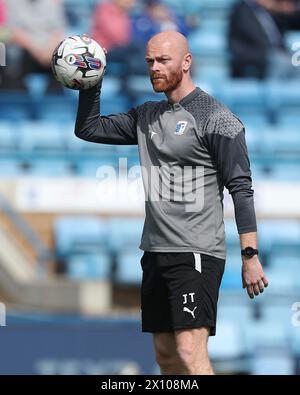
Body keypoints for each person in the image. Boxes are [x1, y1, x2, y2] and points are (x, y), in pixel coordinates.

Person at [74, 31, 269, 375]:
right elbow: (89, 128)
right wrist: (92, 80)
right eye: (150, 61)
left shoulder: (217, 118)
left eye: (163, 60)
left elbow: (241, 188)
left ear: (186, 62)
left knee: (189, 349)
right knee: (166, 354)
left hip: (196, 251)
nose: (154, 68)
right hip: (155, 251)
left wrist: (250, 255)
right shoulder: (146, 115)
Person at [228, 0, 300, 79]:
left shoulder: (268, 12)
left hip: (274, 56)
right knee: (283, 62)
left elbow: (290, 22)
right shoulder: (242, 9)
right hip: (254, 58)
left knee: (295, 60)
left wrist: (278, 9)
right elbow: (256, 38)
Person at [3, 0, 65, 90]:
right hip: (24, 53)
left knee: (59, 62)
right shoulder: (11, 3)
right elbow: (13, 32)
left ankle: (56, 100)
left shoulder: (52, 3)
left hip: (48, 52)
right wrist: (36, 50)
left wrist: (49, 51)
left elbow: (58, 31)